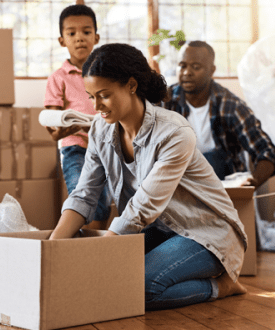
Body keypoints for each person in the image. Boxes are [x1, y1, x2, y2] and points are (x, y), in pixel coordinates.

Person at [50, 43, 248, 310]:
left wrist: (97, 256)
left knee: (137, 288)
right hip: (157, 231)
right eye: (91, 96)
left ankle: (221, 286)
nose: (96, 106)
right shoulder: (100, 129)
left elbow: (144, 205)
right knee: (110, 282)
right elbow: (84, 195)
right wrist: (50, 250)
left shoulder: (174, 133)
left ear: (131, 85)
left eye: (104, 95)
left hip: (205, 232)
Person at [162, 40, 275, 186]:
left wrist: (252, 182)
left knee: (213, 158)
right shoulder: (164, 103)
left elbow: (268, 153)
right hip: (177, 188)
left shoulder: (232, 106)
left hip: (223, 191)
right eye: (182, 66)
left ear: (212, 71)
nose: (187, 72)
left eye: (196, 67)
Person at [44, 4, 111, 230]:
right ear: (62, 40)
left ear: (96, 36)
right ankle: (78, 247)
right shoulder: (58, 77)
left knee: (103, 202)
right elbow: (53, 126)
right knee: (81, 197)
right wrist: (67, 128)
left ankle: (98, 245)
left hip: (107, 146)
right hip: (76, 147)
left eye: (86, 32)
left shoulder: (107, 74)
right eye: (71, 33)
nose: (79, 38)